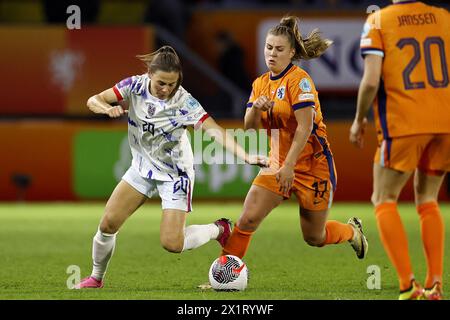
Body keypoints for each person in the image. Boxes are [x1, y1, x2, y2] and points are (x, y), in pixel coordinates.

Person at [74, 46, 268, 289]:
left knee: (172, 244)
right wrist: (107, 108)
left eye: (172, 84)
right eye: (161, 83)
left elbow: (215, 131)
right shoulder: (134, 86)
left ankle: (220, 228)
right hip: (142, 168)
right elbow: (94, 99)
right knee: (107, 224)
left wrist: (246, 155)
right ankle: (96, 278)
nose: (166, 89)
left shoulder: (184, 102)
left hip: (175, 175)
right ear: (150, 75)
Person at [199, 16, 369, 289]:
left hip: (313, 166)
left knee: (314, 237)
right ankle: (223, 276)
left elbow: (305, 127)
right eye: (268, 48)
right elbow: (249, 128)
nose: (272, 54)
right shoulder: (260, 84)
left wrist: (290, 166)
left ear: (291, 52)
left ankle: (351, 231)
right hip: (277, 162)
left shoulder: (300, 81)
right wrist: (256, 108)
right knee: (247, 218)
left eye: (279, 49)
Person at [351, 0, 449, 300]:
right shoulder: (444, 17)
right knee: (428, 200)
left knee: (384, 199)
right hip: (445, 121)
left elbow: (370, 81)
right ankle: (436, 284)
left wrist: (358, 120)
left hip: (404, 121)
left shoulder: (379, 20)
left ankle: (409, 286)